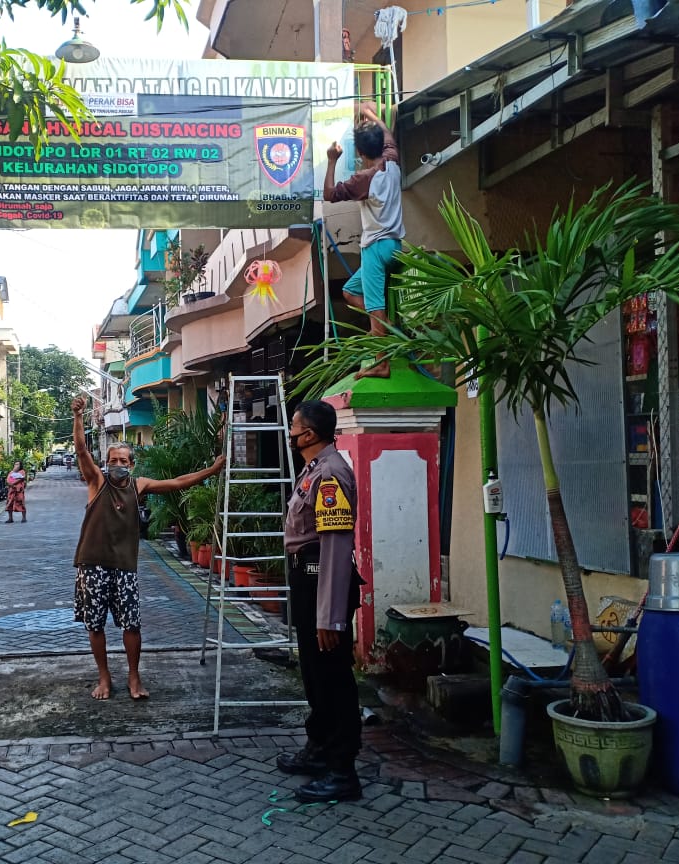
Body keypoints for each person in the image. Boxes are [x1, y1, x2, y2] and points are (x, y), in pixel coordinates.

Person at [71, 396, 226, 701]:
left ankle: (133, 676)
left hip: (125, 566)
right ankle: (104, 677)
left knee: (132, 624)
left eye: (123, 461)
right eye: (113, 460)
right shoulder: (96, 481)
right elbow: (80, 450)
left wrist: (212, 470)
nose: (117, 465)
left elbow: (178, 482)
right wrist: (78, 416)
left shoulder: (137, 485)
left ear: (132, 464)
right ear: (107, 463)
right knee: (95, 624)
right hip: (93, 565)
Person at [278, 400, 364, 804]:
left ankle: (342, 771)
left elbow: (334, 546)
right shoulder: (313, 469)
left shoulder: (330, 474)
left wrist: (330, 618)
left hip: (321, 582)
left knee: (333, 678)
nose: (290, 431)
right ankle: (319, 749)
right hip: (307, 579)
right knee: (314, 674)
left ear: (308, 435)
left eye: (294, 426)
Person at [323, 101, 404, 379]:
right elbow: (389, 136)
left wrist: (332, 160)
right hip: (395, 246)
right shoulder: (392, 162)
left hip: (375, 248)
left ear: (358, 152)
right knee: (349, 291)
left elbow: (330, 194)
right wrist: (371, 113)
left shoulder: (363, 179)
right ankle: (387, 327)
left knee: (374, 307)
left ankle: (382, 363)